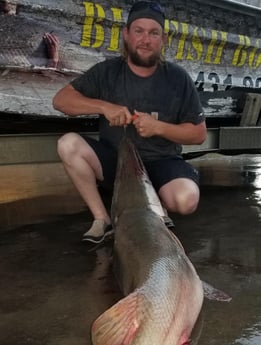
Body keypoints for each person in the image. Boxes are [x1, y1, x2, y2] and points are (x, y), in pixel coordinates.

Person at [52, 0, 207, 244]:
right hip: (118, 164)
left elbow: (198, 134)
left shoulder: (178, 78)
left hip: (161, 163)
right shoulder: (107, 71)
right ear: (126, 35)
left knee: (186, 200)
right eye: (139, 31)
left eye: (153, 33)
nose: (146, 40)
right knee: (68, 144)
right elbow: (61, 100)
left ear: (163, 39)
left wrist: (159, 128)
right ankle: (103, 220)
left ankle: (157, 210)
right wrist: (103, 106)